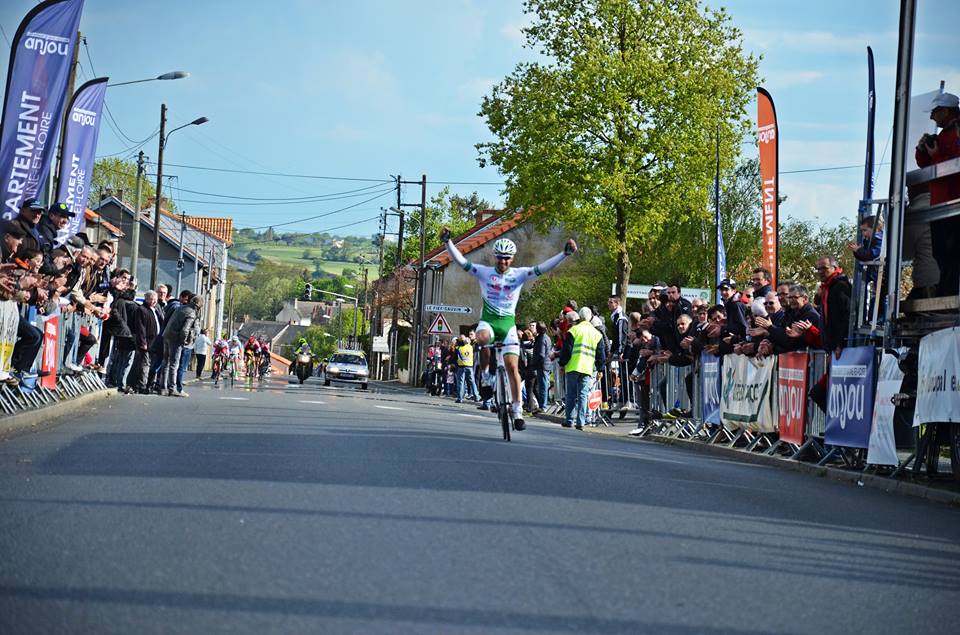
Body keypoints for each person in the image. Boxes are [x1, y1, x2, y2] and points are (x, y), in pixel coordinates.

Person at [441, 227, 577, 431]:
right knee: (483, 337)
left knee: (513, 368)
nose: (503, 262)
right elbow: (461, 262)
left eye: (506, 258)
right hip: (489, 321)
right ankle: (486, 377)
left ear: (512, 259)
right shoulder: (485, 273)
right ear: (495, 257)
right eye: (499, 258)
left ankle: (517, 410)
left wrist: (564, 254)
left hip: (508, 325)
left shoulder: (520, 274)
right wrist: (447, 242)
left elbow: (543, 267)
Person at [558, 308, 606, 430]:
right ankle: (581, 422)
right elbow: (601, 354)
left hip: (573, 366)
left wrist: (562, 364)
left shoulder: (574, 330)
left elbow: (567, 350)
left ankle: (569, 420)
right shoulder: (596, 334)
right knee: (583, 395)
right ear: (590, 318)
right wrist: (600, 369)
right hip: (587, 368)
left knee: (571, 395)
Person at [454, 334, 477, 403]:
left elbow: (455, 357)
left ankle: (460, 398)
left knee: (461, 383)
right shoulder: (471, 347)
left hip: (461, 367)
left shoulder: (458, 348)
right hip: (470, 366)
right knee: (472, 382)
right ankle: (476, 396)